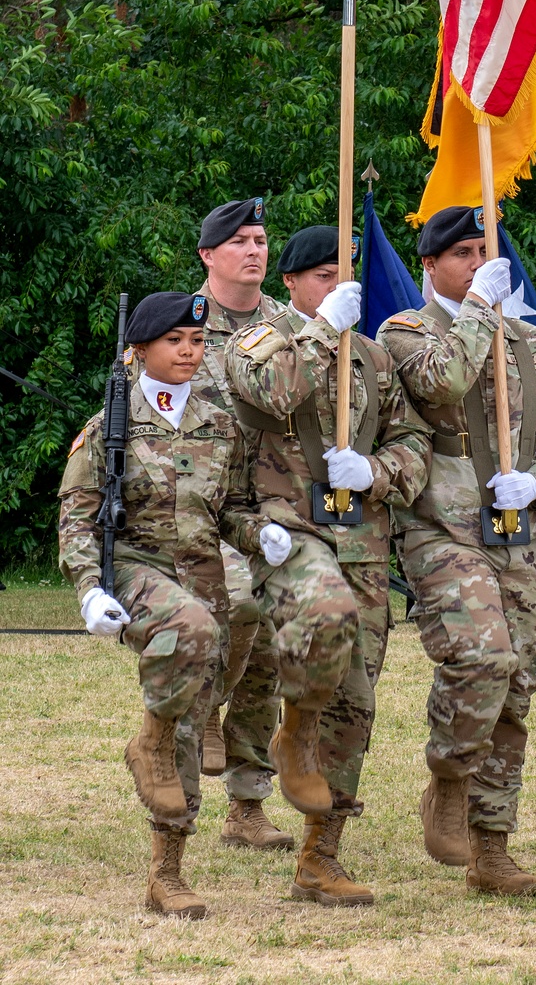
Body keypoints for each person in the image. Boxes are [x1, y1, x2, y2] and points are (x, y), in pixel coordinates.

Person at [57, 292, 288, 919]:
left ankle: (167, 873)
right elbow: (76, 518)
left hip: (203, 575)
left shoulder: (220, 418)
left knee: (193, 716)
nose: (189, 352)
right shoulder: (112, 423)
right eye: (174, 342)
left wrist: (257, 533)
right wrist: (90, 589)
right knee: (189, 634)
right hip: (137, 568)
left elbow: (233, 506)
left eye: (197, 341)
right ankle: (149, 740)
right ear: (139, 351)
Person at [377, 205, 536, 897]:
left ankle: (491, 847)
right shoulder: (405, 331)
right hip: (441, 526)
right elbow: (442, 381)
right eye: (461, 253)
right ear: (430, 264)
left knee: (518, 685)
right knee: (483, 656)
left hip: (516, 532)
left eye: (482, 251)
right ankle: (448, 769)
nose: (475, 262)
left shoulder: (532, 342)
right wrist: (474, 308)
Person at [224, 234, 431, 906]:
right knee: (325, 614)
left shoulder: (371, 358)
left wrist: (377, 470)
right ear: (291, 281)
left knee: (358, 703)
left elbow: (412, 440)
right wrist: (321, 332)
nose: (337, 285)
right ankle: (294, 727)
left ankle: (320, 857)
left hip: (361, 541)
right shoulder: (261, 341)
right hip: (289, 534)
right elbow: (275, 392)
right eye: (322, 274)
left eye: (344, 276)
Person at [194, 197, 290, 852]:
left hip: (272, 507)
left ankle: (247, 805)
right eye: (240, 240)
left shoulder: (287, 324)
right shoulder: (178, 323)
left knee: (274, 651)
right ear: (208, 254)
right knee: (242, 603)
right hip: (202, 510)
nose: (254, 249)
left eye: (260, 238)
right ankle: (196, 712)